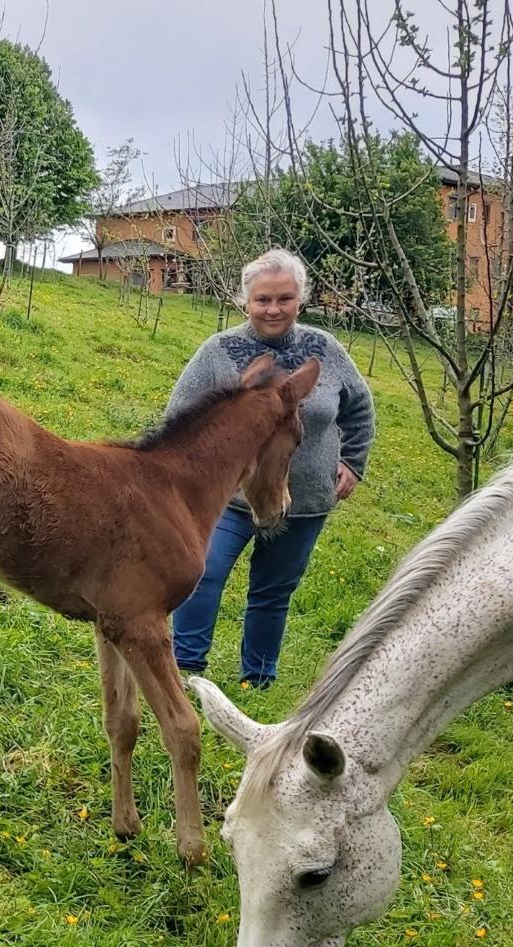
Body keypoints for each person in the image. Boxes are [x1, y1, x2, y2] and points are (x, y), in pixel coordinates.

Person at [167, 249, 375, 688]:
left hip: (306, 500)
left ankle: (257, 680)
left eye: (284, 298)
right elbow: (179, 417)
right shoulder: (219, 352)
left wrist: (353, 461)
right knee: (201, 574)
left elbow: (360, 407)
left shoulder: (327, 351)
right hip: (228, 498)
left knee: (271, 593)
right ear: (246, 301)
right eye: (263, 299)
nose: (273, 308)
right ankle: (186, 671)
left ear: (301, 298)